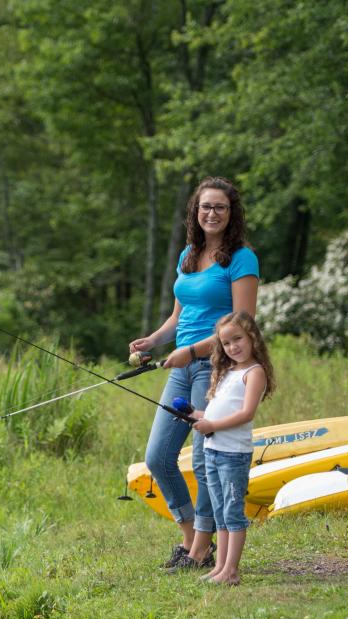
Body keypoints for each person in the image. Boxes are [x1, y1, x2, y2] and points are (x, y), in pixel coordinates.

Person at [128, 176, 259, 573]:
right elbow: (178, 315)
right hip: (183, 368)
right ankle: (190, 536)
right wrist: (154, 340)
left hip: (215, 367)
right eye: (205, 206)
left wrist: (191, 351)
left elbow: (244, 321)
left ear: (231, 212)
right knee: (159, 457)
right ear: (195, 212)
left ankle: (202, 551)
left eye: (220, 207)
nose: (212, 213)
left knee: (205, 462)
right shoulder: (189, 253)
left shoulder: (242, 259)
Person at [189, 311, 275, 585]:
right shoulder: (226, 372)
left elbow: (246, 413)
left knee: (232, 512)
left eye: (237, 339)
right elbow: (215, 411)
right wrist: (197, 416)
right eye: (226, 343)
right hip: (212, 451)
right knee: (220, 512)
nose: (233, 347)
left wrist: (212, 424)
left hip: (233, 455)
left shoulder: (254, 372)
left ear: (252, 338)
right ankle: (220, 568)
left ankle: (231, 571)